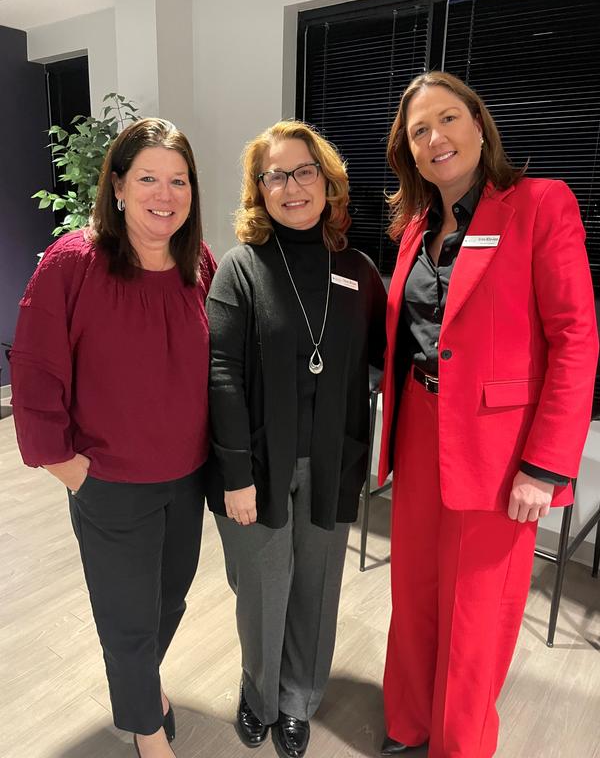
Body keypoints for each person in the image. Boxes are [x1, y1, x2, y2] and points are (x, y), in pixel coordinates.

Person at [377, 70, 599, 758]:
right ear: (408, 151)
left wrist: (545, 464)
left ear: (479, 123)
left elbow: (575, 336)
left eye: (447, 119)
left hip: (502, 451)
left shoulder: (538, 203)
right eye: (419, 130)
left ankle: (458, 746)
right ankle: (407, 724)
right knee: (413, 591)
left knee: (477, 612)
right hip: (418, 427)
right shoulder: (414, 227)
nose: (435, 137)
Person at [10, 118, 217, 758]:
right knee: (127, 619)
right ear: (119, 187)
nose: (165, 194)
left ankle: (140, 686)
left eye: (178, 180)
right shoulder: (75, 262)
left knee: (170, 599)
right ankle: (145, 730)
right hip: (109, 480)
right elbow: (36, 366)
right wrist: (64, 464)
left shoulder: (198, 263)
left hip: (186, 474)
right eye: (148, 178)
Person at [206, 120, 386, 758]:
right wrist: (234, 475)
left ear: (328, 180)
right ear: (259, 189)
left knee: (316, 589)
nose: (291, 186)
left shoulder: (358, 270)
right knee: (262, 594)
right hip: (256, 468)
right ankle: (258, 694)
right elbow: (219, 374)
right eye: (274, 174)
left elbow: (388, 360)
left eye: (303, 171)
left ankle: (298, 700)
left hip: (332, 462)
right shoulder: (241, 269)